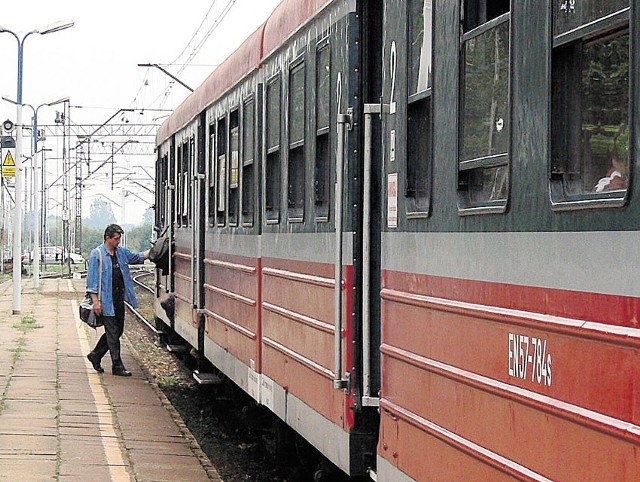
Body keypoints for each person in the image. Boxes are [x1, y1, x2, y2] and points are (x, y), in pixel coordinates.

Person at [86, 224, 150, 376]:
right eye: (116, 238)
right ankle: (117, 365)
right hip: (105, 301)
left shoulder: (121, 253)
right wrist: (96, 302)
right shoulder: (97, 255)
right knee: (113, 333)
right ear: (107, 238)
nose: (119, 241)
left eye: (120, 238)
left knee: (117, 331)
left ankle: (95, 355)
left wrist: (152, 252)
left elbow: (137, 257)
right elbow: (92, 281)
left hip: (118, 299)